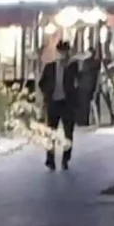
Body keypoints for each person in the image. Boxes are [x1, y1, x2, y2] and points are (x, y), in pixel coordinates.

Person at [38, 39, 82, 171]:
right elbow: (42, 83)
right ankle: (50, 159)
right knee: (51, 132)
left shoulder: (73, 67)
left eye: (66, 52)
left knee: (68, 133)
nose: (64, 55)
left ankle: (65, 159)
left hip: (67, 104)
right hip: (53, 103)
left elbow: (79, 82)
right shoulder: (50, 67)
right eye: (62, 52)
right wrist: (48, 94)